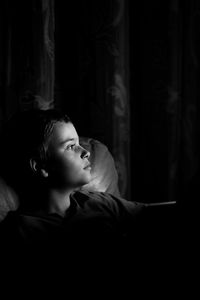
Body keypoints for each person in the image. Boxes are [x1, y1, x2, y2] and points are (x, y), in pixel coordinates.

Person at [0, 108, 177, 291]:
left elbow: (152, 213)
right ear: (40, 166)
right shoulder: (19, 231)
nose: (86, 152)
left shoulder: (98, 202)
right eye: (70, 146)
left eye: (79, 144)